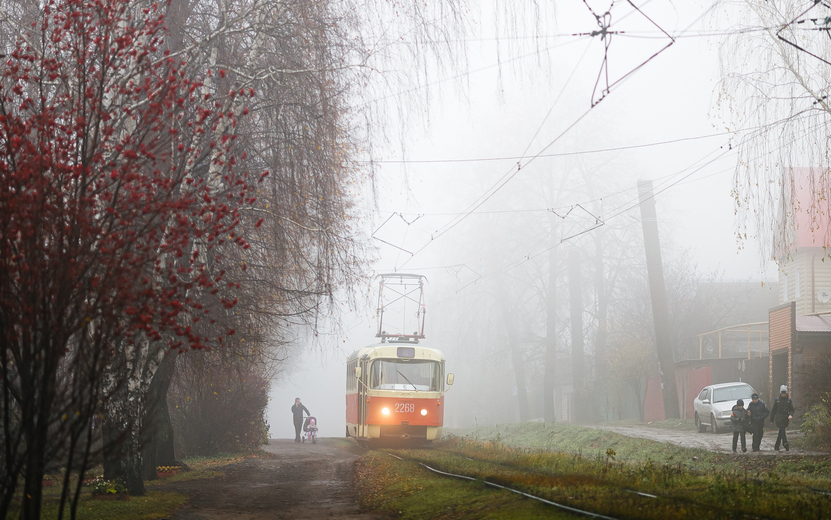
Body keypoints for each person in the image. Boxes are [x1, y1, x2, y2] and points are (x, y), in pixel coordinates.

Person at [770, 385, 795, 452]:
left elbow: (792, 409)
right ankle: (785, 443)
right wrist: (771, 419)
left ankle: (777, 446)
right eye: (782, 393)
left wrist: (790, 415)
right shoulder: (777, 400)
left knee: (781, 431)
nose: (783, 394)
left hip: (785, 418)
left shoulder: (788, 401)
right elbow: (773, 410)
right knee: (782, 429)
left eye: (784, 393)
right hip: (779, 417)